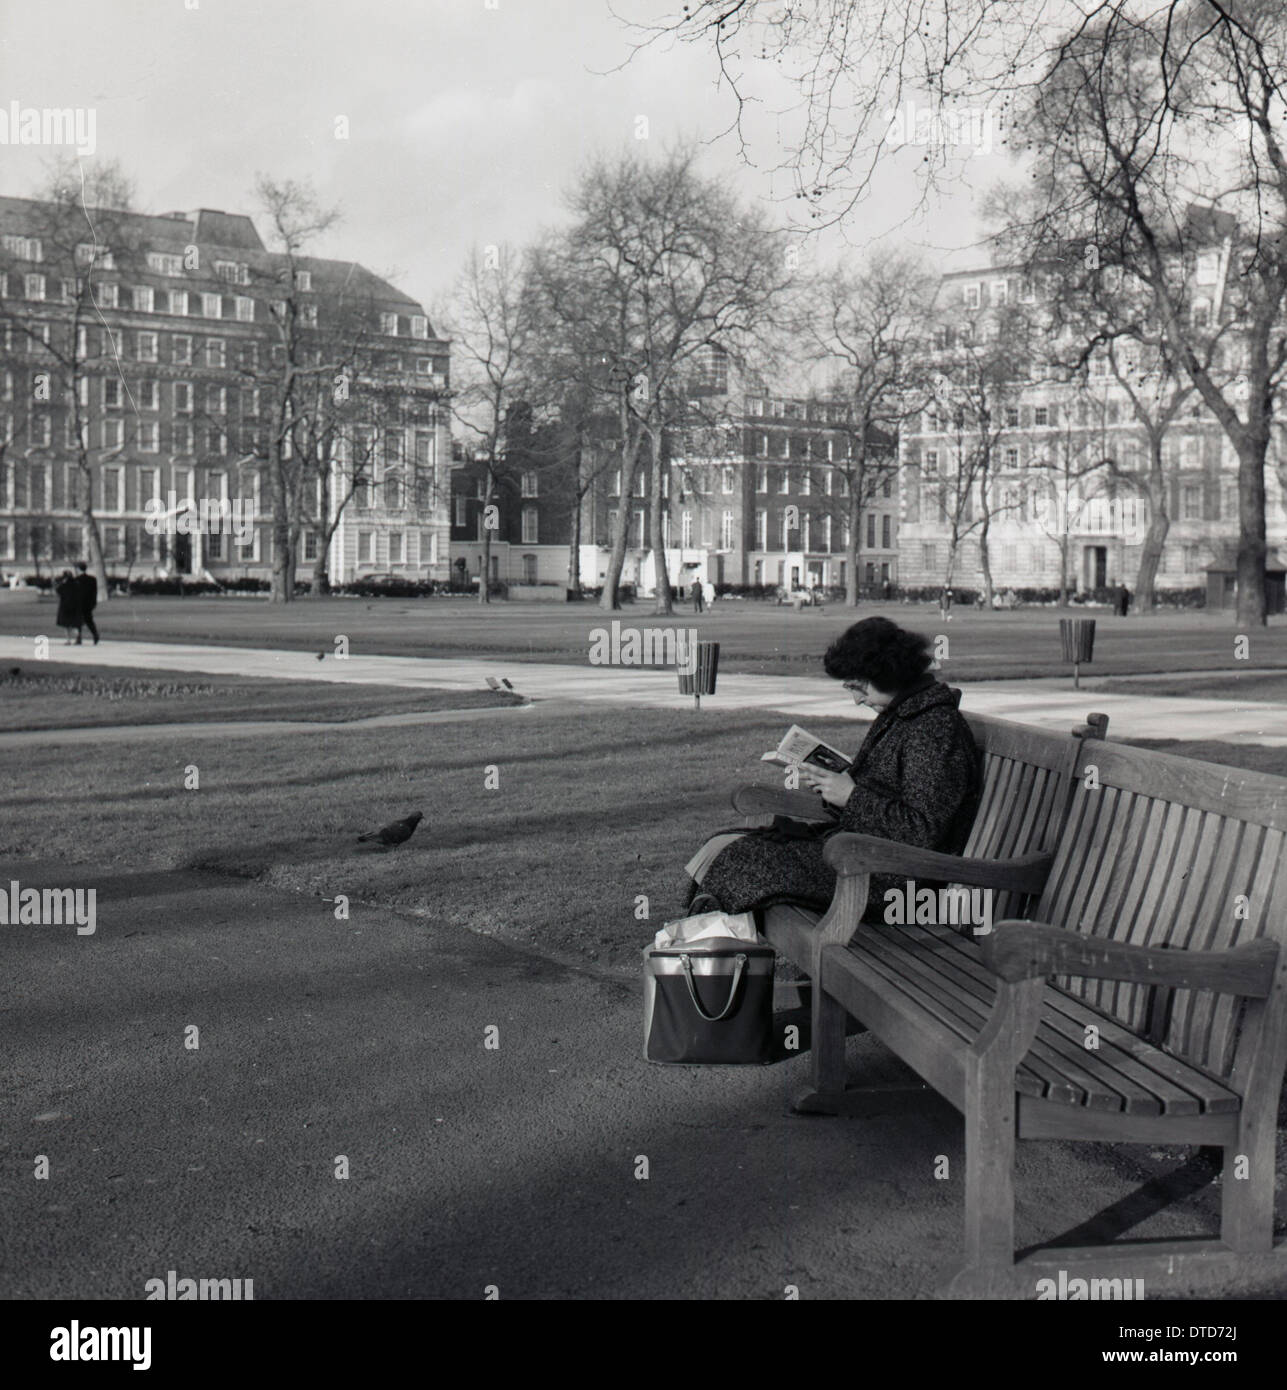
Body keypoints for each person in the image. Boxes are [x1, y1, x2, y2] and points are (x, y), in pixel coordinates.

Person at [681, 617, 982, 923]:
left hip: (899, 882)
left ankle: (707, 958)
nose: (856, 699)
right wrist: (835, 788)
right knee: (725, 845)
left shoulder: (934, 730)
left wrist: (851, 796)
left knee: (743, 858)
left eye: (859, 686)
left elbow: (923, 832)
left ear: (889, 672)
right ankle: (708, 955)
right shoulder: (906, 713)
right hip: (866, 858)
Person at [54, 569, 82, 645]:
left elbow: (58, 591)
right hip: (74, 607)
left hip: (65, 607)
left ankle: (68, 640)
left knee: (66, 625)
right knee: (73, 623)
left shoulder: (63, 585)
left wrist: (60, 583)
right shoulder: (76, 584)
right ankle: (77, 635)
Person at [74, 560, 99, 645]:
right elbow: (95, 592)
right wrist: (94, 602)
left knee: (78, 622)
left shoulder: (77, 580)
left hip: (79, 604)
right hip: (89, 603)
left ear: (78, 569)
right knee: (89, 620)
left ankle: (79, 638)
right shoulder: (92, 579)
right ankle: (95, 635)